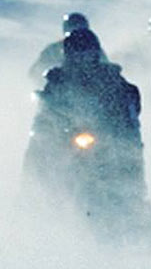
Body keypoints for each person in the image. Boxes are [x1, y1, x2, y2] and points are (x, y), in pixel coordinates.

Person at [24, 28, 144, 210]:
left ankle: (135, 202)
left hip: (105, 134)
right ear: (68, 56)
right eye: (77, 54)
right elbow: (47, 107)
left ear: (95, 54)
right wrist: (50, 115)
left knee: (128, 150)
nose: (82, 59)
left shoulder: (110, 78)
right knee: (39, 141)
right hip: (66, 134)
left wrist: (123, 112)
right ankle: (31, 194)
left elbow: (128, 96)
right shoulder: (57, 79)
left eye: (87, 54)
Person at [28, 12, 108, 86]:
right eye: (74, 26)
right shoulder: (53, 50)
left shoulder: (95, 48)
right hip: (65, 85)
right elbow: (35, 71)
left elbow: (106, 67)